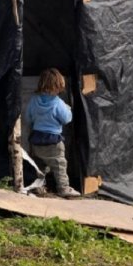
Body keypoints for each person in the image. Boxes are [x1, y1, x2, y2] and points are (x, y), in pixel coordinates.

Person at [26, 68, 80, 198]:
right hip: (53, 140)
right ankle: (63, 188)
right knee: (59, 165)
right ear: (57, 86)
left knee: (39, 165)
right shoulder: (58, 103)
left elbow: (28, 118)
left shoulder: (34, 100)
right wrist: (67, 108)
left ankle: (37, 187)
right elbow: (67, 119)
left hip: (36, 138)